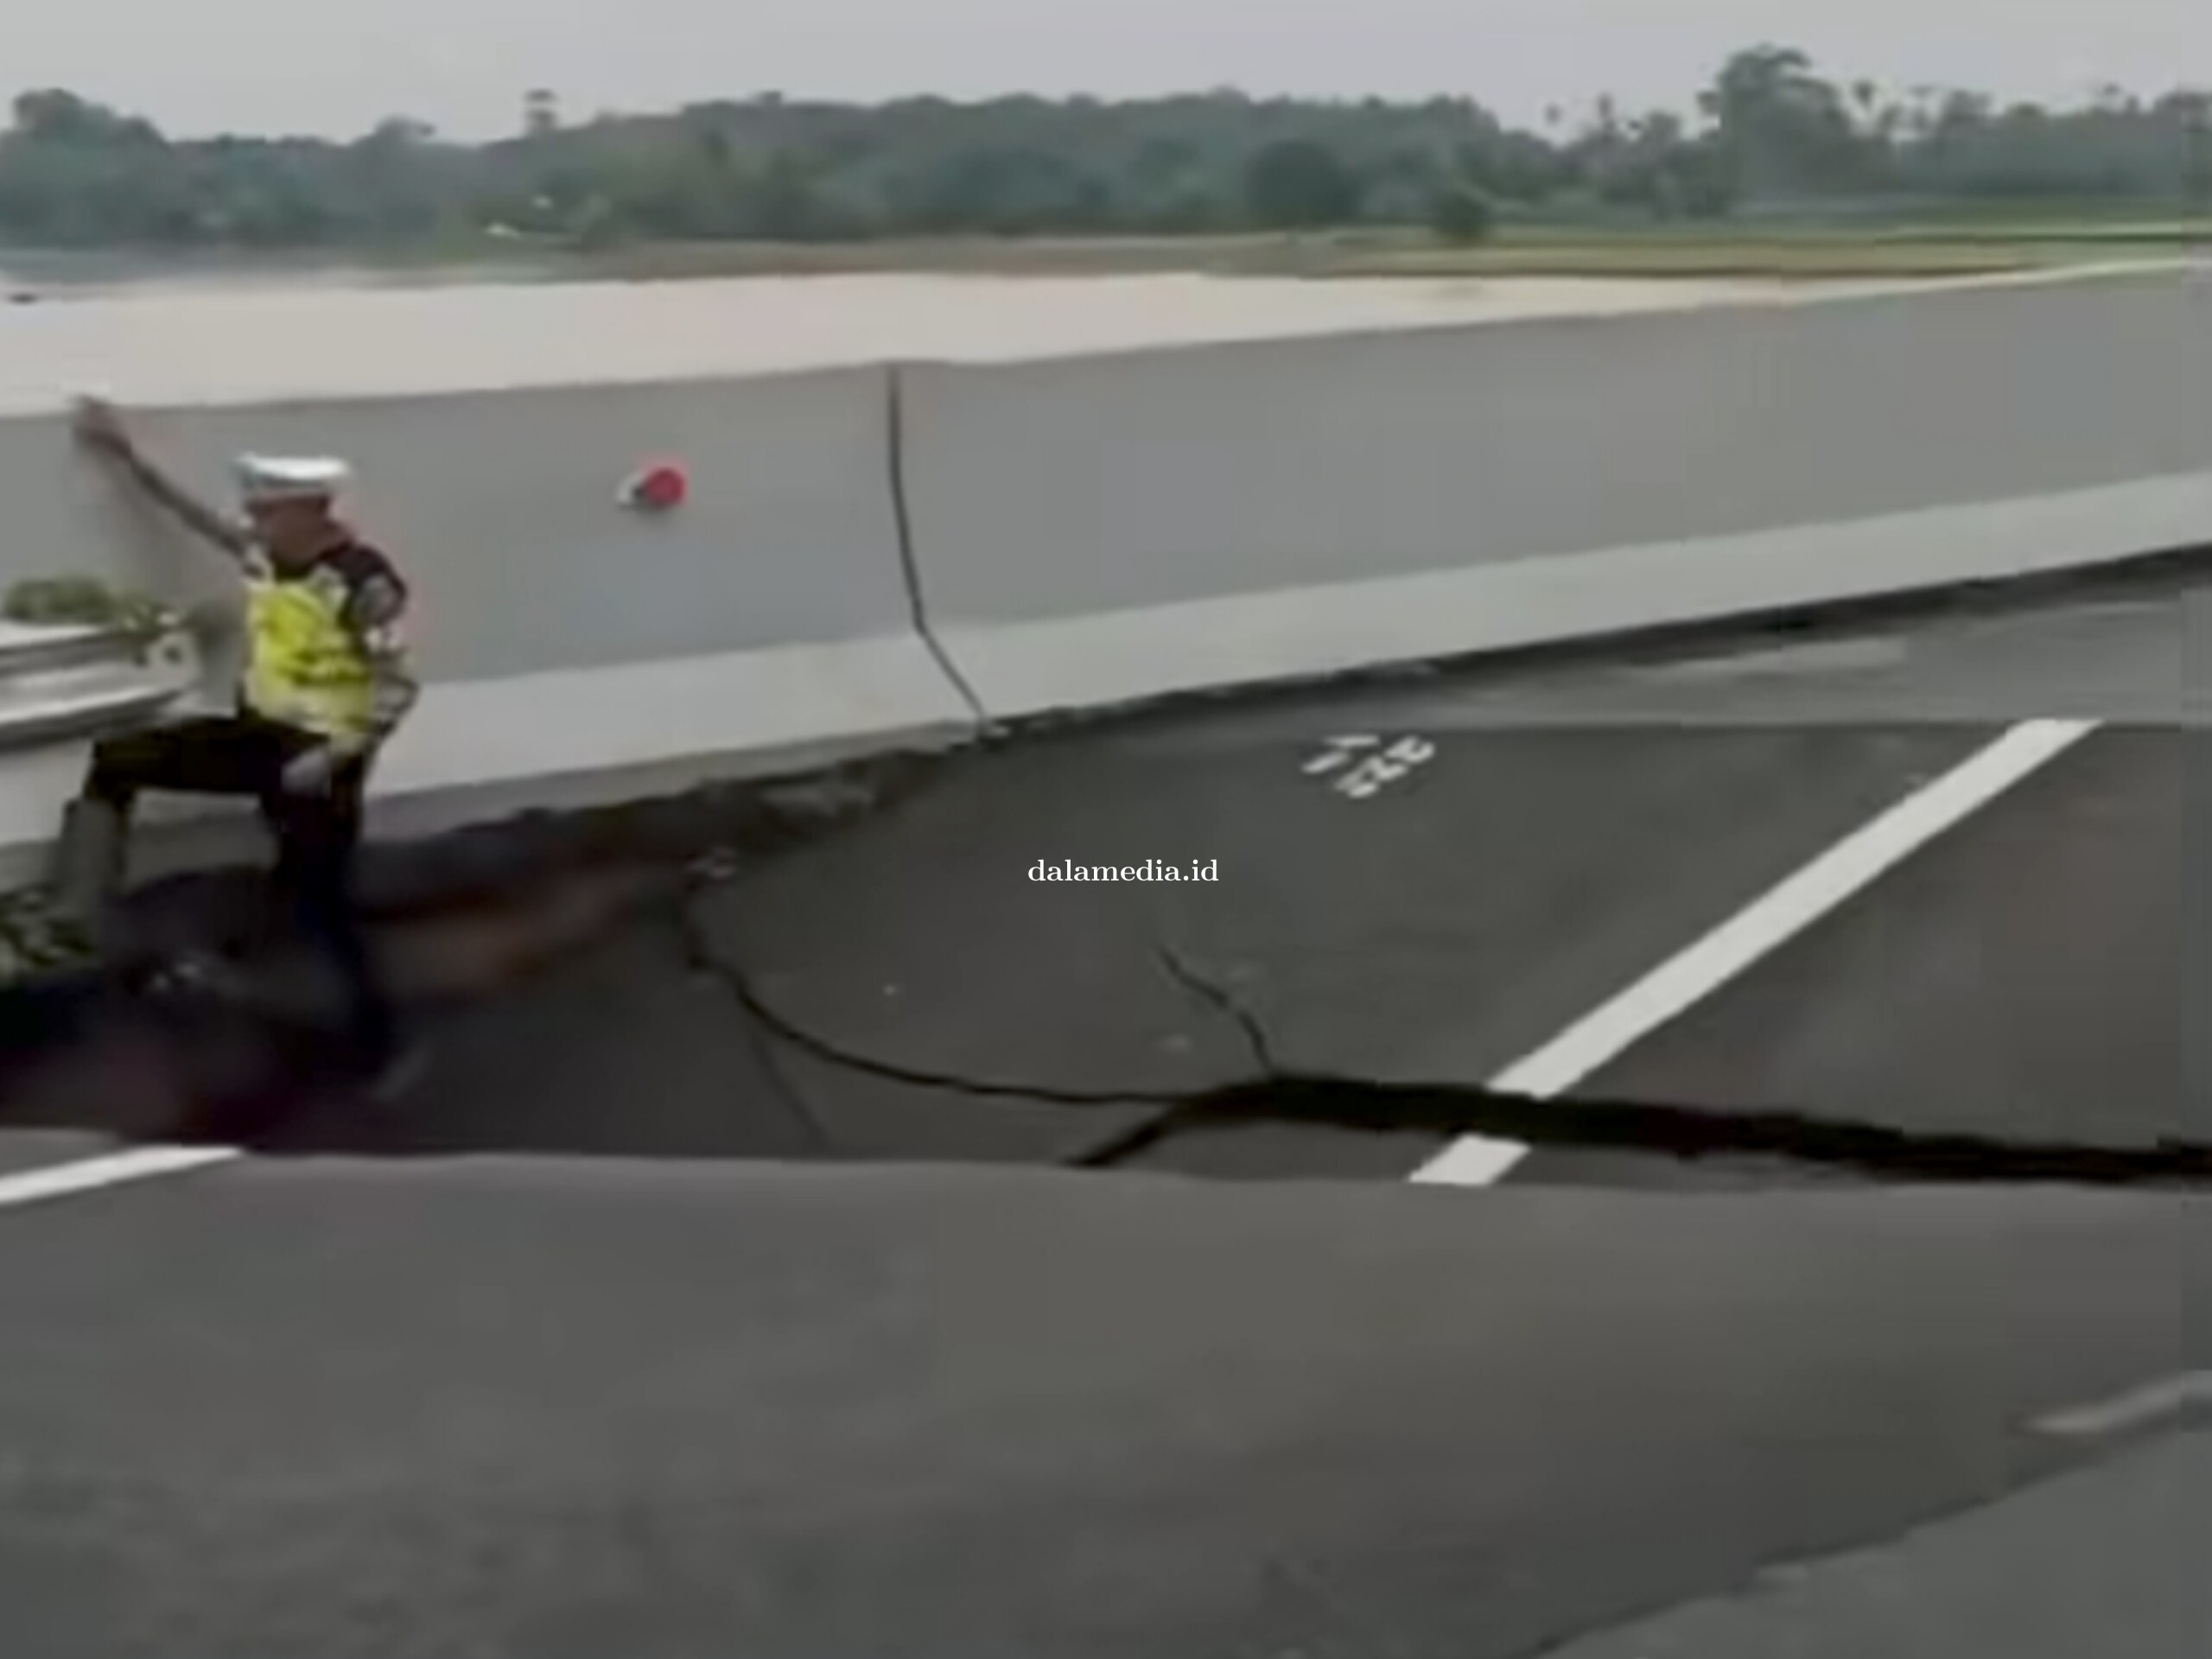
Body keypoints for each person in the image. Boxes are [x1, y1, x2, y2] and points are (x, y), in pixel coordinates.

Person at [51, 397, 420, 1079]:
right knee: (119, 759)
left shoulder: (363, 585)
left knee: (318, 902)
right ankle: (79, 914)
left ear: (311, 511)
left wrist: (334, 756)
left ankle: (379, 1047)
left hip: (321, 758)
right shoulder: (265, 556)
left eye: (266, 511)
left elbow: (399, 686)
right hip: (259, 734)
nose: (253, 523)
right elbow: (194, 517)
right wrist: (126, 456)